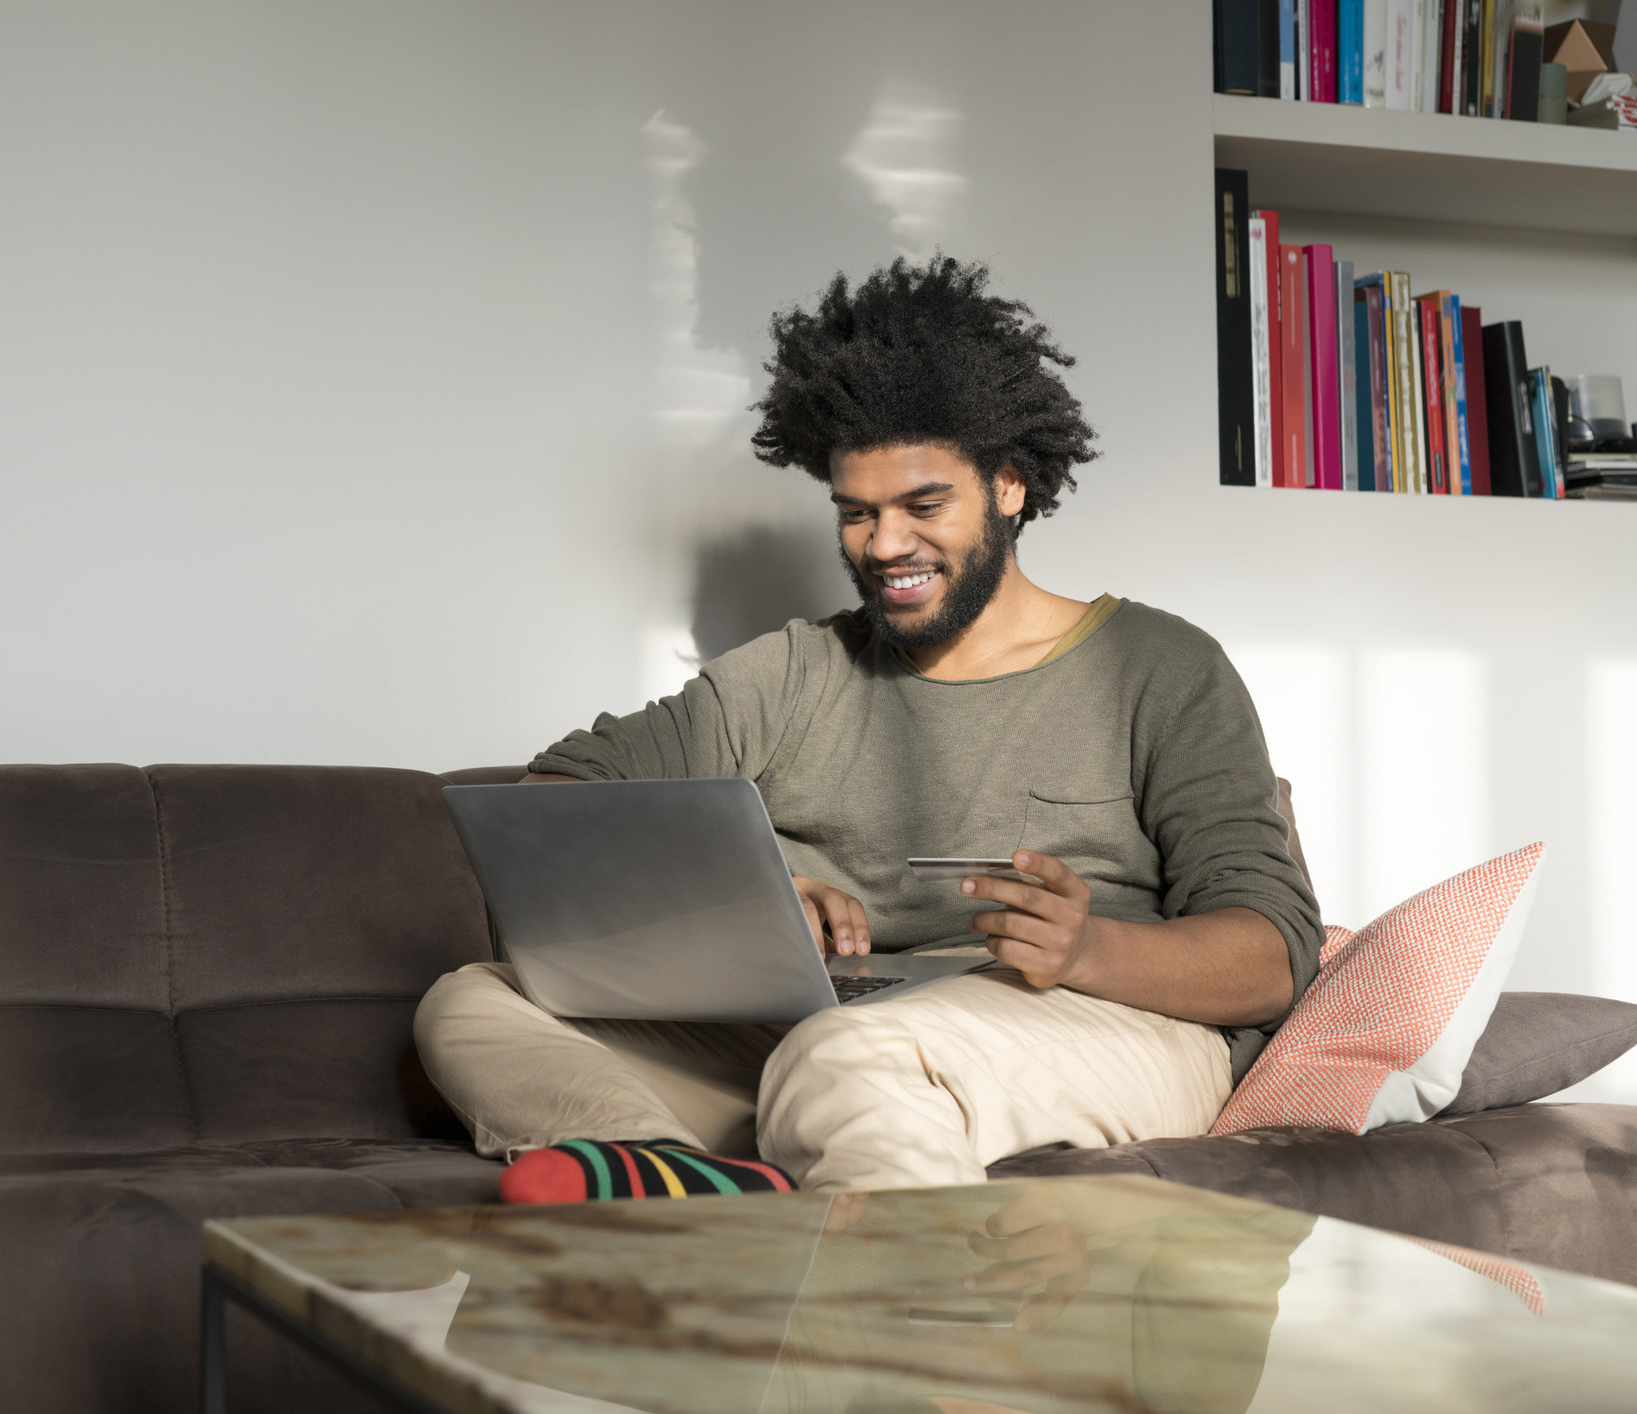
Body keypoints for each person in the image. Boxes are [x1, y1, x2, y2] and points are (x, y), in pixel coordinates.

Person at [415, 255, 1321, 1200]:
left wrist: (1091, 949)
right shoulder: (799, 670)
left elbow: (1272, 954)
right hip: (836, 1030)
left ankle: (908, 1336)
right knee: (470, 1002)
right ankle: (679, 1177)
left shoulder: (1160, 665)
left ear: (1008, 486)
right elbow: (558, 800)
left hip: (1095, 1018)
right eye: (857, 515)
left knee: (846, 1058)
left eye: (923, 506)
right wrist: (757, 897)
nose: (885, 546)